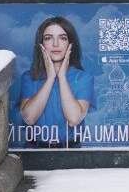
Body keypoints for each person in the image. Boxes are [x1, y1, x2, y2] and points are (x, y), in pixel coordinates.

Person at [19, 16, 95, 148]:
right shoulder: (29, 77)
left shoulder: (83, 78)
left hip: (70, 152)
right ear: (41, 44)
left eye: (62, 38)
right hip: (34, 151)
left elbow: (74, 119)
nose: (55, 44)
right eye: (48, 38)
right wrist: (50, 79)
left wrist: (62, 78)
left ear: (70, 44)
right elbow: (29, 118)